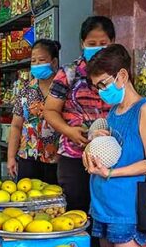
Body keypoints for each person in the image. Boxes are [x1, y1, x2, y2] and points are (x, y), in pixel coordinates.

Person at [81, 45, 146, 247]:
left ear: (122, 75)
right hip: (103, 205)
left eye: (103, 84)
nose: (100, 91)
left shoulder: (145, 110)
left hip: (128, 211)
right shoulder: (114, 112)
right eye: (96, 86)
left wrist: (111, 173)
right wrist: (95, 142)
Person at [43, 15, 115, 212]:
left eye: (103, 43)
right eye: (92, 43)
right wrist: (69, 131)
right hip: (74, 156)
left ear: (112, 43)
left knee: (107, 215)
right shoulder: (69, 73)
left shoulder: (120, 75)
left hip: (112, 158)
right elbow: (49, 111)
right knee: (77, 212)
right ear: (82, 43)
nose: (98, 47)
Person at [5, 39, 60, 183]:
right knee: (28, 199)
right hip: (28, 157)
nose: (36, 65)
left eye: (41, 60)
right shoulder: (26, 91)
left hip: (57, 158)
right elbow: (16, 126)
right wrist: (11, 157)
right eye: (33, 61)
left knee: (54, 200)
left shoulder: (63, 89)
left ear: (54, 62)